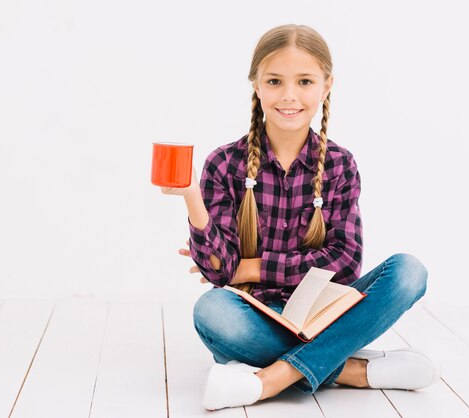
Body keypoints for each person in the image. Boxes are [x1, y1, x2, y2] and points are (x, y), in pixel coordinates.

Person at [160, 24, 441, 411]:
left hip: (327, 311)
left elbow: (343, 263)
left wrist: (250, 268)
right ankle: (352, 369)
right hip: (258, 316)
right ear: (256, 86)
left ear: (326, 87)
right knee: (211, 312)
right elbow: (220, 272)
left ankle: (271, 378)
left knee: (410, 271)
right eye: (275, 81)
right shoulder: (224, 164)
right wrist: (192, 196)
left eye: (304, 81)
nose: (289, 96)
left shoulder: (340, 164)